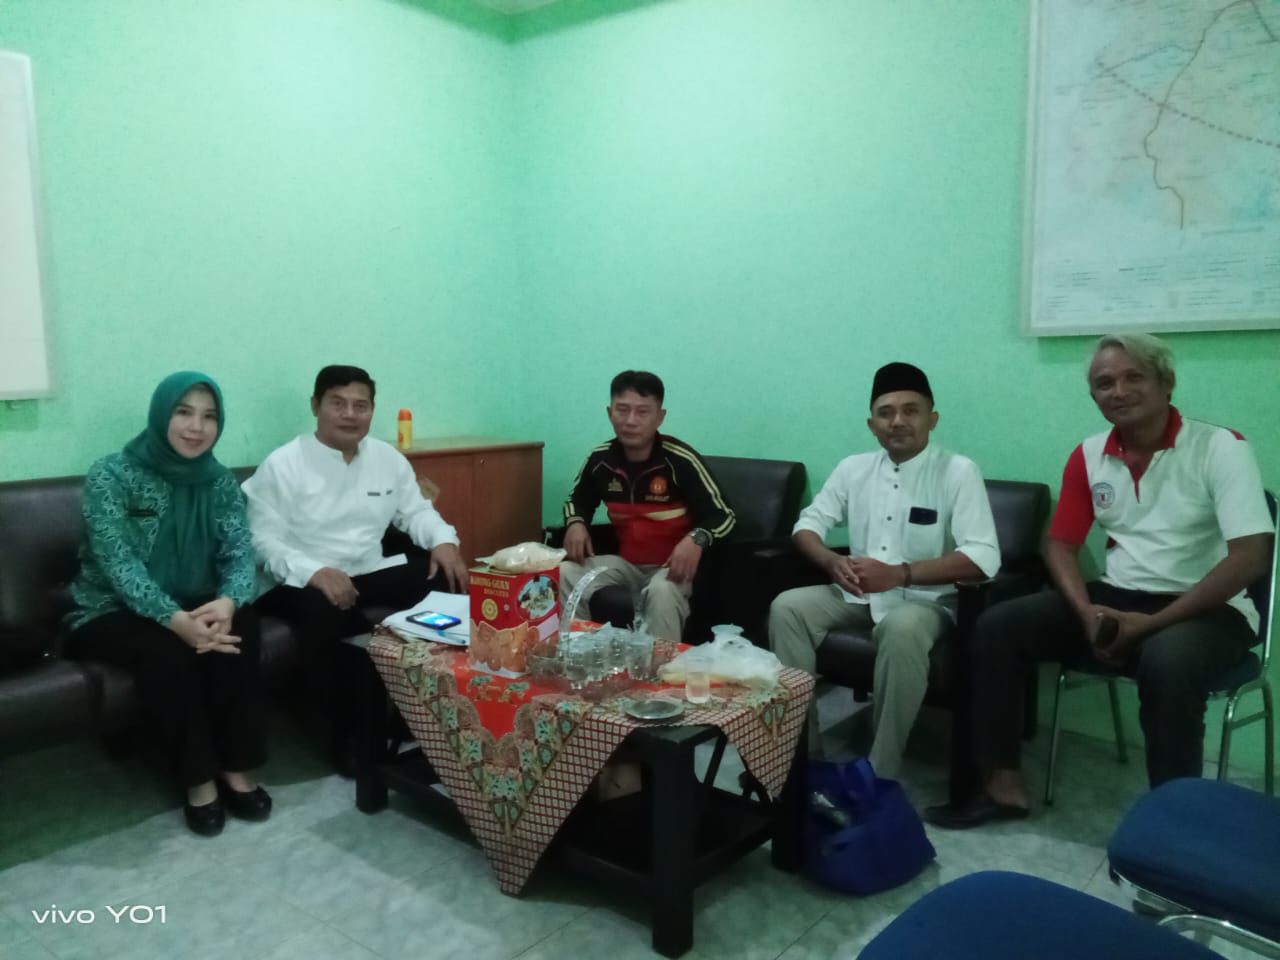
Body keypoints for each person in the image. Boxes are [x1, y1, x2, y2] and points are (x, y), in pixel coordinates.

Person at [927, 334, 1273, 828]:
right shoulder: (1089, 455)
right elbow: (1059, 545)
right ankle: (1001, 786)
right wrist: (1087, 613)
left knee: (1168, 659)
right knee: (999, 626)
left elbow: (1251, 556)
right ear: (1093, 396)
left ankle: (1173, 825)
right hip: (1117, 594)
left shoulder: (1221, 447)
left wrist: (1149, 626)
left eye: (1134, 377)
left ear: (1166, 383)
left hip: (1210, 608)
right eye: (1104, 383)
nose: (1119, 391)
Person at [768, 362, 1000, 778]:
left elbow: (983, 556)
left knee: (902, 627)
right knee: (787, 607)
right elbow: (807, 525)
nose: (897, 421)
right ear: (872, 424)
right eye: (886, 412)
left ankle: (880, 771)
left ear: (932, 418)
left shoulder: (959, 471)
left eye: (911, 410)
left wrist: (900, 574)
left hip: (927, 602)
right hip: (857, 594)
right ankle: (803, 755)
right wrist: (830, 561)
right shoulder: (853, 469)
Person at [66, 372, 270, 837]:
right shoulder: (111, 474)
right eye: (183, 412)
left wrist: (228, 601)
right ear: (161, 415)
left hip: (196, 600)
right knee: (166, 649)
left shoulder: (219, 482)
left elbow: (239, 551)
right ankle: (199, 779)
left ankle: (236, 766)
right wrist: (174, 619)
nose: (196, 427)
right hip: (107, 609)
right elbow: (118, 564)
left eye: (209, 416)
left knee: (242, 625)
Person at [243, 365, 468, 770]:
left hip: (366, 571)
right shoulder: (283, 464)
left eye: (360, 406)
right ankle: (347, 733)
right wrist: (314, 572)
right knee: (323, 608)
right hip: (295, 581)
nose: (350, 414)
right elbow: (261, 541)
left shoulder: (387, 459)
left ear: (371, 410)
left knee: (442, 577)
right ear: (315, 406)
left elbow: (416, 511)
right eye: (338, 403)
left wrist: (444, 541)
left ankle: (424, 713)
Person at [560, 370, 735, 643]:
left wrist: (697, 539)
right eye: (622, 410)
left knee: (662, 591)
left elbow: (724, 515)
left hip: (673, 569)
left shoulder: (680, 460)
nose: (631, 421)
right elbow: (577, 501)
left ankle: (663, 667)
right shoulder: (600, 460)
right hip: (626, 566)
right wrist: (576, 523)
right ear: (609, 413)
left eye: (642, 412)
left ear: (660, 417)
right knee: (565, 573)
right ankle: (576, 653)